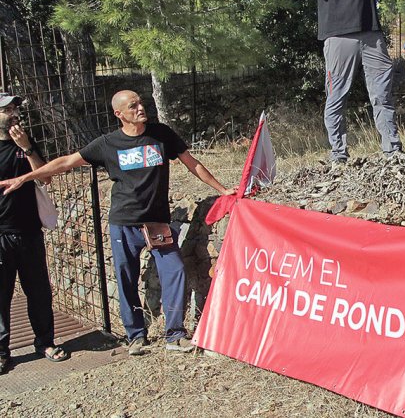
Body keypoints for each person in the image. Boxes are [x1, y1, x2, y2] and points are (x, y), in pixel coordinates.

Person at [0, 90, 235, 357]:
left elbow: (193, 163)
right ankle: (136, 337)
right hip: (123, 223)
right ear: (119, 114)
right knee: (126, 280)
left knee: (175, 271)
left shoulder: (162, 134)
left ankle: (175, 335)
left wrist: (222, 189)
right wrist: (25, 178)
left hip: (157, 224)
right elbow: (66, 162)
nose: (140, 108)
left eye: (141, 103)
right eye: (133, 106)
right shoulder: (107, 143)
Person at [304, 0, 405, 164]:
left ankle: (392, 150)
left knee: (382, 93)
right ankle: (338, 154)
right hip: (338, 33)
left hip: (370, 31)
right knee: (336, 95)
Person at [0, 93, 69, 373]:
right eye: (7, 109)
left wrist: (27, 148)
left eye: (15, 108)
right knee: (1, 295)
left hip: (29, 231)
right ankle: (2, 352)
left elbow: (45, 177)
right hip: (1, 234)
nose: (14, 114)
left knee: (39, 291)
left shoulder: (25, 144)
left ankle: (45, 342)